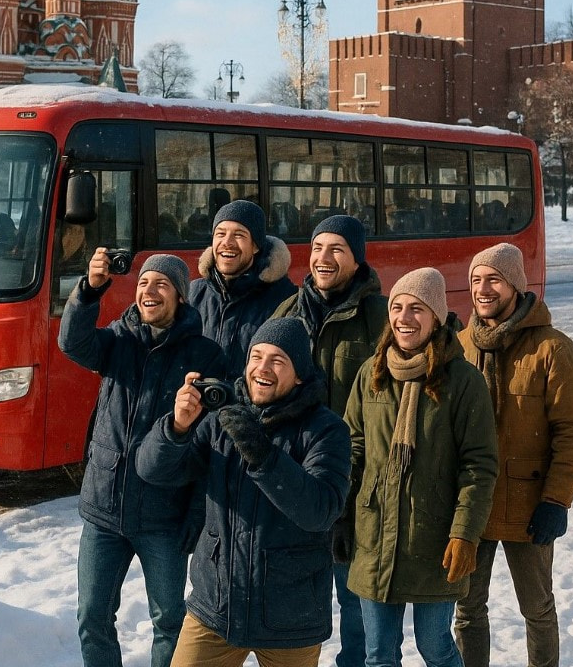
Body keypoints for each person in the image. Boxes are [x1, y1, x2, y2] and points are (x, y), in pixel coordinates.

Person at [137, 316, 351, 667]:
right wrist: (176, 428)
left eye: (277, 360)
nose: (262, 368)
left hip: (291, 618)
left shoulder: (327, 430)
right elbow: (153, 470)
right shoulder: (223, 418)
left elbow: (321, 511)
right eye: (256, 356)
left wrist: (263, 454)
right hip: (216, 607)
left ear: (299, 374)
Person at [58, 249, 225, 667]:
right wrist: (88, 291)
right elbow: (73, 342)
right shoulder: (119, 339)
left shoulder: (206, 356)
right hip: (104, 507)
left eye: (162, 284)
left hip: (163, 515)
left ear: (181, 297)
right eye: (144, 283)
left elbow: (211, 447)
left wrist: (197, 513)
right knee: (92, 616)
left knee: (168, 620)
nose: (149, 290)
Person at [344, 268, 498, 667]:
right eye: (397, 307)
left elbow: (478, 466)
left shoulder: (463, 381)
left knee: (436, 648)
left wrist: (465, 534)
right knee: (378, 654)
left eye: (417, 308)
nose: (404, 317)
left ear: (437, 318)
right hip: (375, 535)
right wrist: (341, 512)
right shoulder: (372, 373)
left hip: (435, 536)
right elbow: (353, 445)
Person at [455, 243, 573, 667]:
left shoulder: (552, 348)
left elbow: (571, 431)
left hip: (530, 505)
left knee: (537, 610)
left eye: (494, 279)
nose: (482, 289)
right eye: (476, 279)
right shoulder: (460, 346)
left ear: (515, 285)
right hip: (472, 504)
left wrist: (556, 500)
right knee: (467, 610)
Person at [273, 214, 387, 667]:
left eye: (337, 248)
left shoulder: (379, 316)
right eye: (318, 247)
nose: (323, 257)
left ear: (357, 259)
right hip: (293, 480)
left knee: (355, 606)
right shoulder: (287, 312)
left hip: (355, 485)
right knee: (293, 603)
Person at [189, 199, 295, 377]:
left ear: (255, 246)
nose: (227, 242)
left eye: (239, 235)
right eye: (220, 234)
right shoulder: (194, 293)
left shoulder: (285, 299)